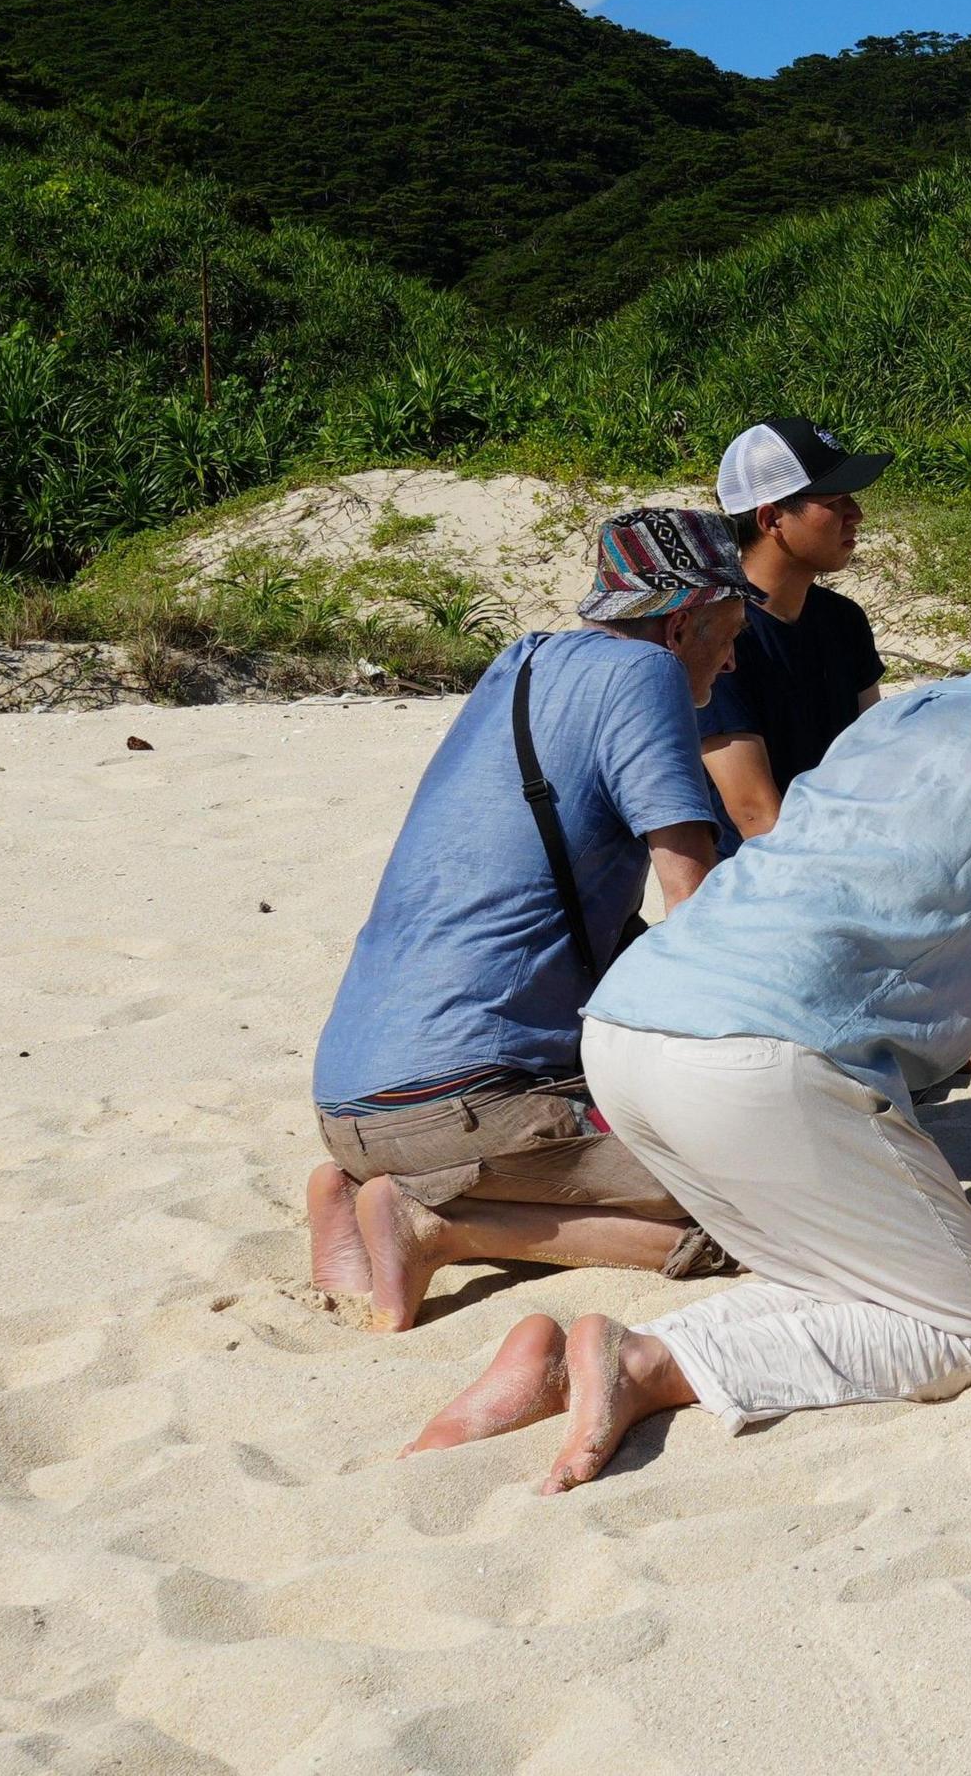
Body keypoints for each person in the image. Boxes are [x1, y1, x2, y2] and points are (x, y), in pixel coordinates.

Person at [403, 531, 971, 1490]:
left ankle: (565, 1358)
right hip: (760, 1056)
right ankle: (645, 1365)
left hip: (628, 1032)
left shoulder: (897, 717)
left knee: (847, 1280)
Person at [304, 508, 754, 1333]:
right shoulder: (645, 677)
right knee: (752, 1196)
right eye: (730, 631)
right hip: (455, 1108)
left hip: (348, 1100)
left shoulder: (521, 662)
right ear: (683, 619)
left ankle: (353, 1185)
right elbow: (697, 911)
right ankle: (440, 1223)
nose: (731, 659)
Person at [699, 416, 891, 839]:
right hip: (760, 883)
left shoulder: (843, 619)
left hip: (845, 851)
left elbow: (874, 756)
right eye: (835, 500)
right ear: (771, 520)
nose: (856, 514)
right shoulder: (720, 634)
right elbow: (755, 816)